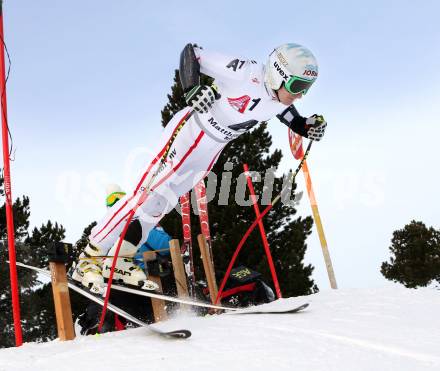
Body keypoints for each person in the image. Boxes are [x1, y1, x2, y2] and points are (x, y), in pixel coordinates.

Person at [73, 42, 327, 294]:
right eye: (297, 86)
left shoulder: (278, 97)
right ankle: (88, 259)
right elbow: (192, 53)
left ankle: (120, 259)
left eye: (306, 88)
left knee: (161, 203)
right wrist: (192, 87)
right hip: (189, 134)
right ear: (277, 74)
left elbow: (280, 109)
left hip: (211, 148)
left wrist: (303, 126)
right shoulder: (245, 73)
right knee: (144, 195)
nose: (300, 94)